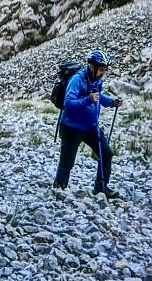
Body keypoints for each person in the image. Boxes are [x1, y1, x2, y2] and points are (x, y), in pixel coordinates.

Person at [53, 50, 123, 198]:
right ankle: (59, 190)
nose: (103, 72)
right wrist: (88, 100)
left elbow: (98, 96)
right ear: (92, 66)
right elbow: (69, 103)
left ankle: (101, 189)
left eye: (105, 70)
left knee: (106, 154)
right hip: (72, 128)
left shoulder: (97, 80)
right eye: (101, 69)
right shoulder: (77, 80)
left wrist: (111, 102)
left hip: (91, 128)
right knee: (67, 162)